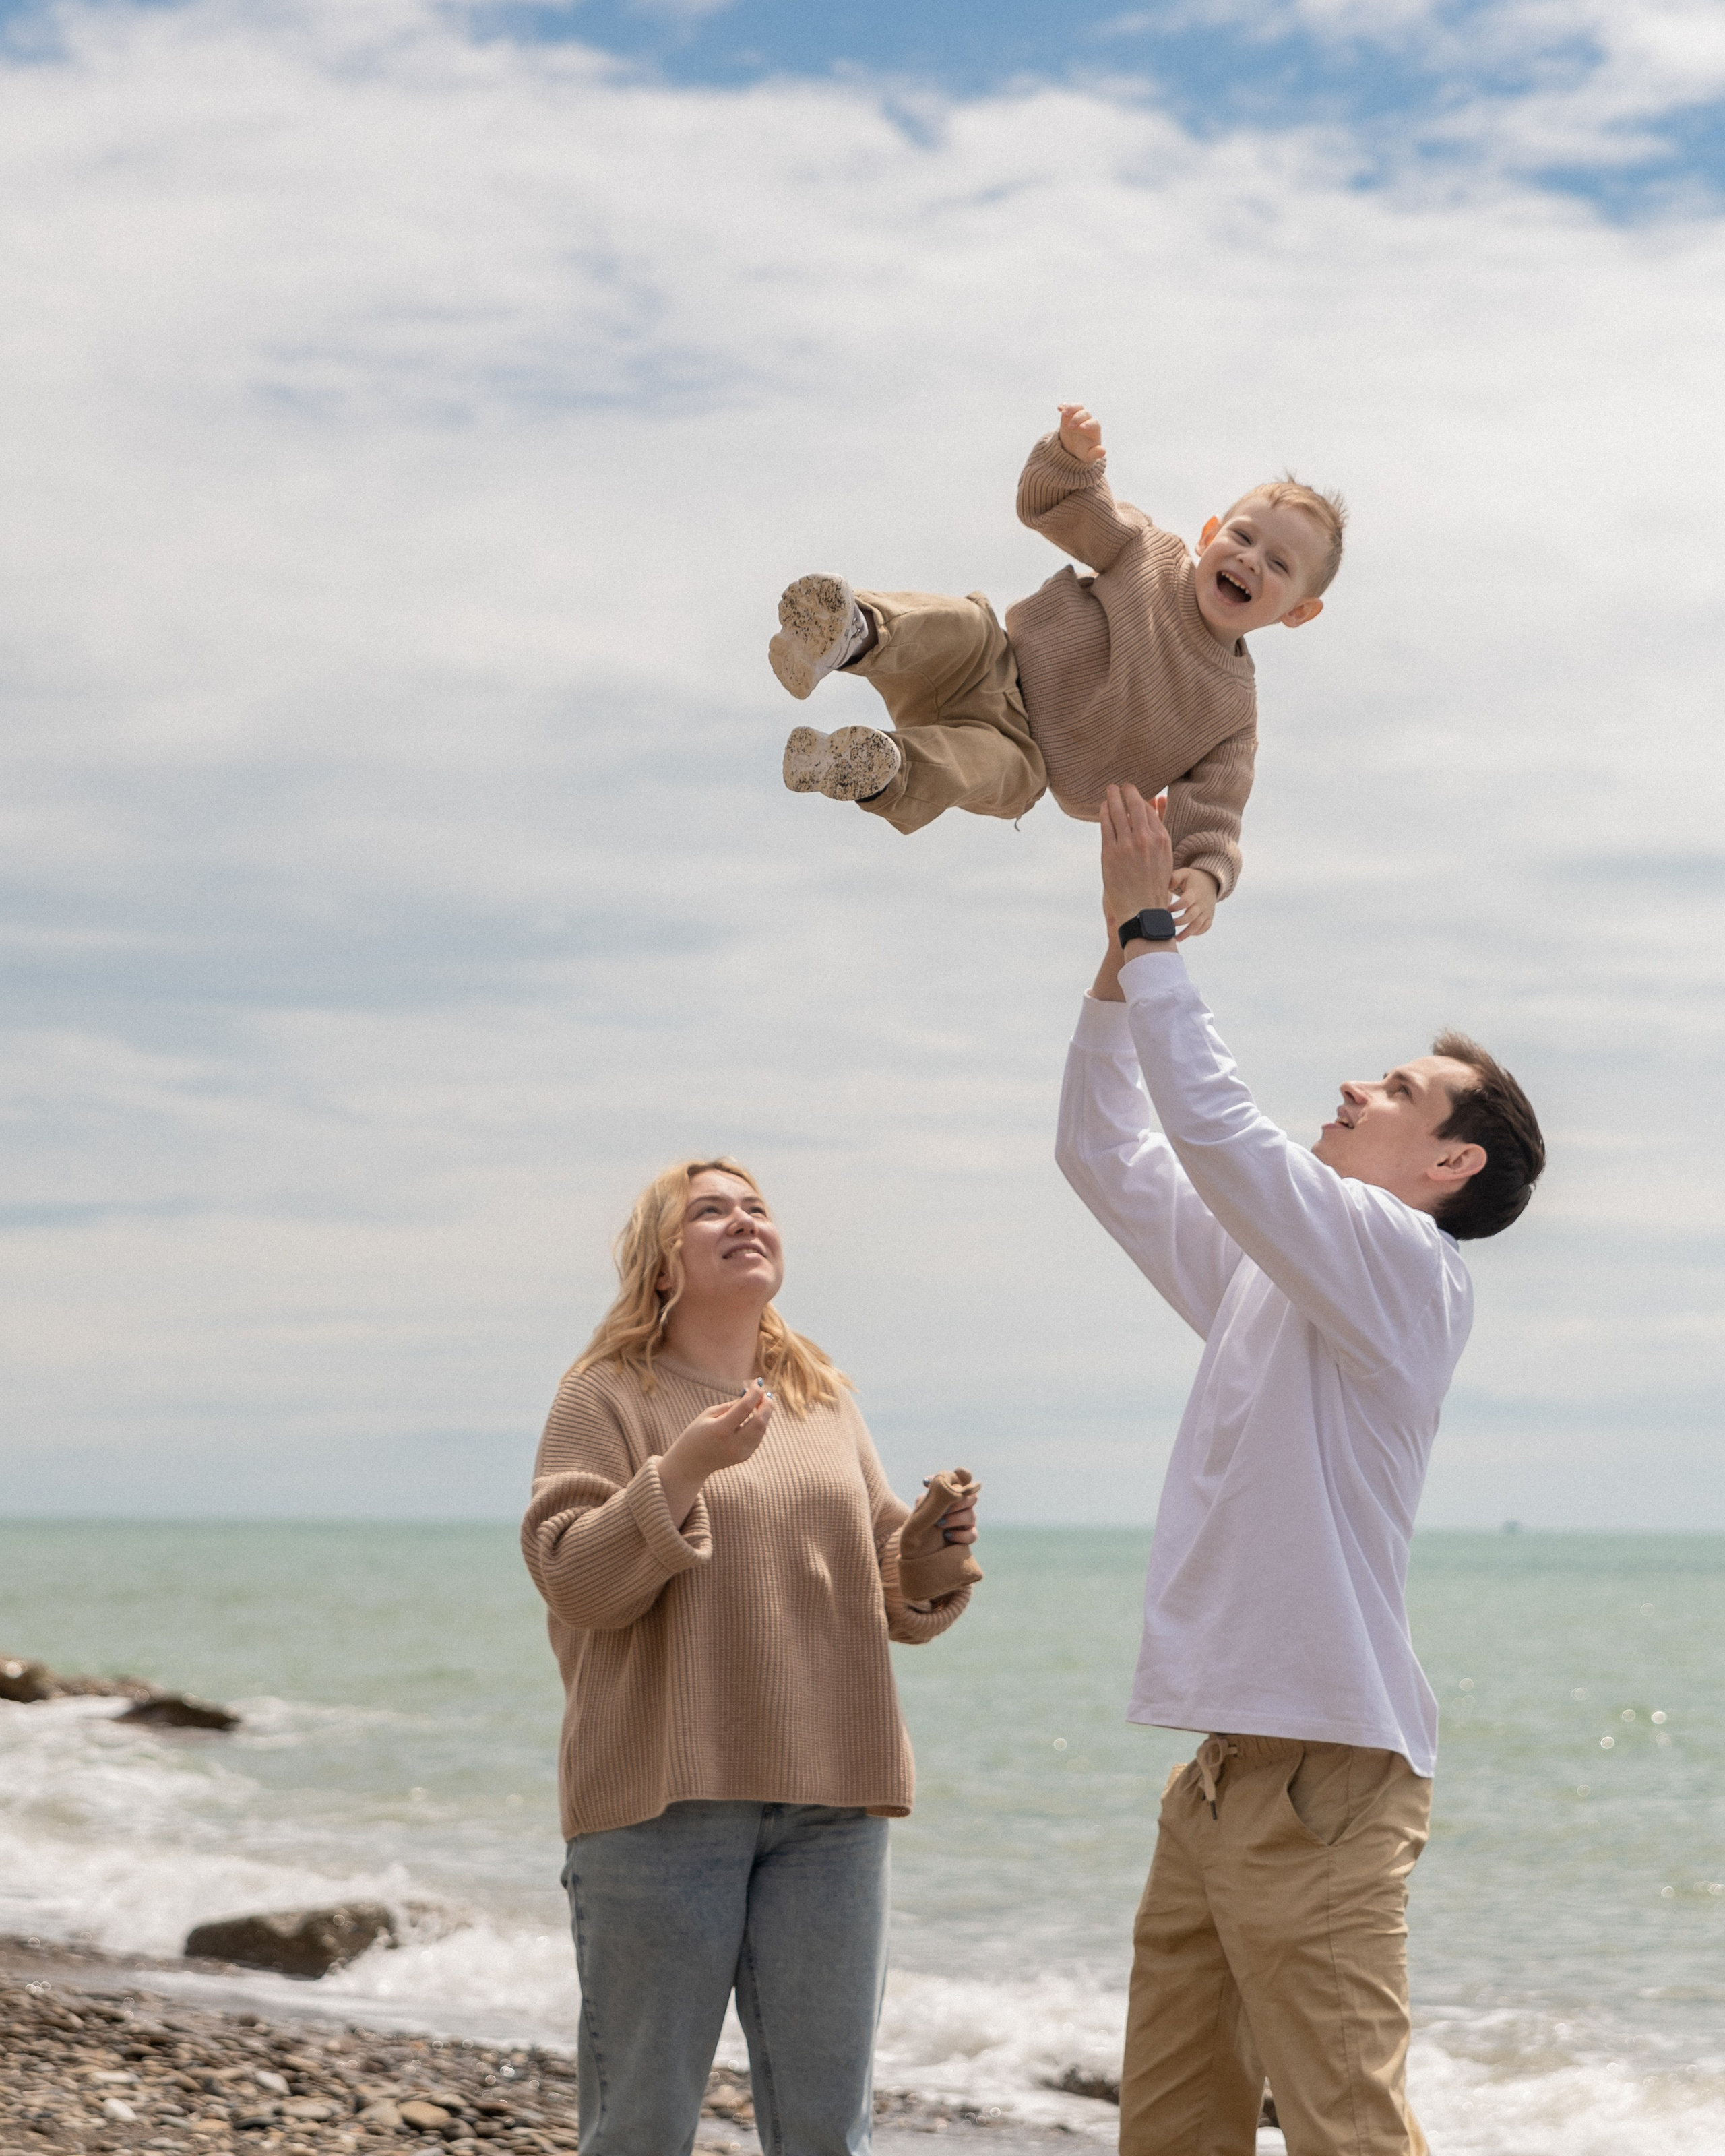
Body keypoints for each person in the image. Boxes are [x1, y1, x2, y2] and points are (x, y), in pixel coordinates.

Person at [1054, 786, 1545, 2156]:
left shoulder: (1407, 1268)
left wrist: (1156, 935)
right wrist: (1111, 971)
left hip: (1328, 1779)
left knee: (1347, 2132)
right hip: (1219, 1774)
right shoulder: (1279, 1275)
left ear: (1447, 1161)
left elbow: (1217, 1131)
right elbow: (1102, 1152)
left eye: (1393, 1091)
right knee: (1168, 2130)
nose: (1351, 1086)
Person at [520, 1156, 980, 2156]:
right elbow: (575, 1584)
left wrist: (935, 1558)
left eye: (758, 1207)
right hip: (659, 1804)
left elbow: (885, 1590)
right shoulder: (603, 1396)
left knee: (828, 2133)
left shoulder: (821, 1403)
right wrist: (683, 1466)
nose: (744, 1221)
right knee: (639, 2127)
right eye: (712, 1210)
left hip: (832, 1808)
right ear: (658, 1262)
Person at [766, 403, 1344, 937]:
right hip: (997, 663)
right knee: (960, 624)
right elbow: (1075, 514)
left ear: (1299, 612)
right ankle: (849, 632)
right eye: (1243, 537)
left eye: (1277, 564)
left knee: (977, 767)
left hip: (1028, 759)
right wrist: (1072, 462)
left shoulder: (1233, 713)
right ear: (1210, 533)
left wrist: (1205, 876)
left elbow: (1217, 806)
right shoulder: (1151, 553)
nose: (1249, 559)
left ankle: (869, 766)